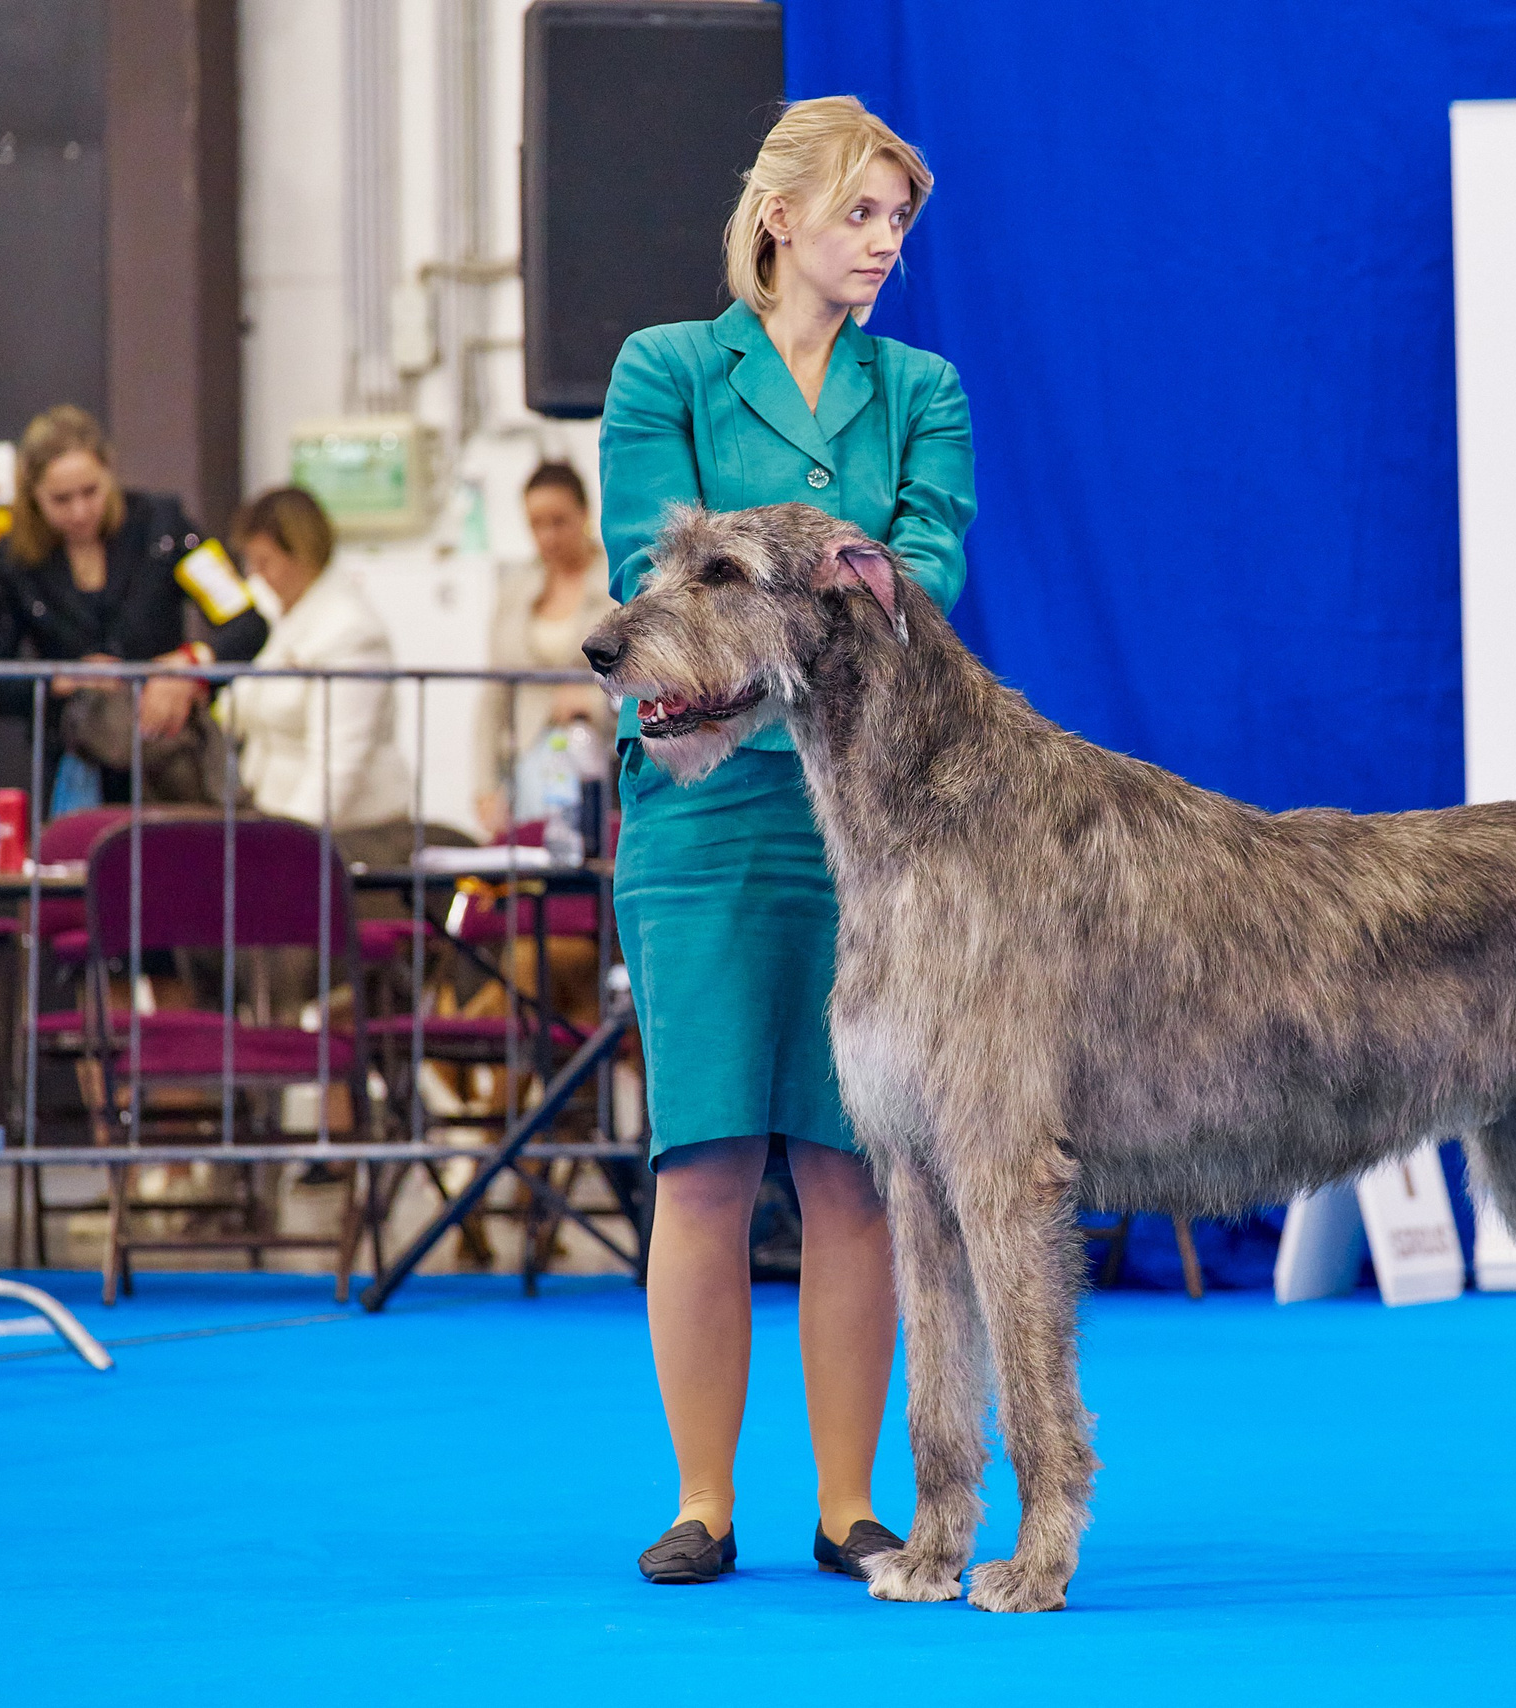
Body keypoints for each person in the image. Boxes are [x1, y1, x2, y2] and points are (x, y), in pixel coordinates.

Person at [601, 95, 976, 1586]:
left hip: (880, 828)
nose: (884, 245)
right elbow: (668, 582)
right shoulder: (667, 368)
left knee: (852, 1160)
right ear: (780, 217)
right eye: (861, 215)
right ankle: (702, 1502)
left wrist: (773, 630)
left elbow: (922, 574)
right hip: (701, 815)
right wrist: (810, 599)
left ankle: (847, 1505)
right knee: (704, 1156)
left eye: (898, 222)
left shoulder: (922, 388)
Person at [0, 405, 269, 805]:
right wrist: (61, 679)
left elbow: (248, 622)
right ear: (32, 496)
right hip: (75, 769)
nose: (80, 511)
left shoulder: (164, 528)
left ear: (110, 476)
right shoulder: (12, 563)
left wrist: (191, 665)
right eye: (61, 500)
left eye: (91, 492)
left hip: (169, 763)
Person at [223, 486, 413, 857]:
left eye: (265, 563)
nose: (256, 577)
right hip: (273, 816)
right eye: (251, 563)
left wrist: (288, 847)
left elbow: (338, 764)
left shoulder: (351, 630)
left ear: (303, 554)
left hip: (351, 835)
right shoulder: (270, 613)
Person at [473, 460, 618, 840]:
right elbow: (493, 696)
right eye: (536, 524)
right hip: (525, 759)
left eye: (558, 521)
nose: (547, 536)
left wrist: (592, 701)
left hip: (601, 756)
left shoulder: (616, 584)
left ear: (585, 515)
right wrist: (484, 785)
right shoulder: (515, 590)